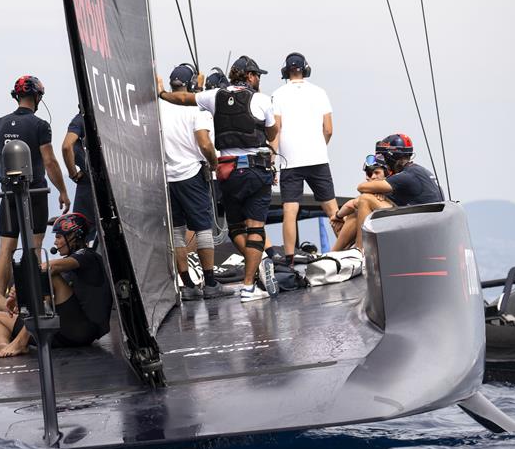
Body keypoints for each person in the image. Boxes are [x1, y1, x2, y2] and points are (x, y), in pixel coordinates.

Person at [158, 55, 279, 303]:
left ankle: (253, 269)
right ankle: (249, 283)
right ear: (249, 76)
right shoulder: (263, 100)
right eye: (257, 75)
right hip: (255, 171)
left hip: (228, 173)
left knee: (234, 228)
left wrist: (161, 94)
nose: (258, 79)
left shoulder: (213, 97)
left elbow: (182, 98)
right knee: (255, 228)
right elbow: (272, 131)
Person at [0, 213, 112, 357]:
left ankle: (20, 342)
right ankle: (5, 344)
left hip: (81, 330)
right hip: (61, 332)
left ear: (73, 236)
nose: (55, 243)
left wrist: (17, 291)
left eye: (58, 237)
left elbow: (47, 268)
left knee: (50, 275)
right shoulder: (70, 265)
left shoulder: (88, 255)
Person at [0, 75, 70, 298]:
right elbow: (49, 161)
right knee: (34, 248)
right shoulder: (40, 125)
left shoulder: (0, 123)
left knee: (6, 249)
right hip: (34, 193)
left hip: (8, 193)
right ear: (37, 97)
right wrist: (63, 191)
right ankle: (36, 297)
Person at [160, 63, 230, 300]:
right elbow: (204, 142)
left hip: (167, 178)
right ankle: (210, 284)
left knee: (178, 232)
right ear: (191, 85)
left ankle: (188, 285)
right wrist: (212, 162)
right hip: (192, 174)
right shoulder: (197, 109)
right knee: (203, 229)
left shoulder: (158, 108)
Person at [271, 52, 338, 265]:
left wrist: (273, 161)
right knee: (332, 209)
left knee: (290, 210)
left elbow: (276, 130)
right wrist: (318, 146)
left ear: (285, 71)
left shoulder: (278, 94)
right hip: (318, 157)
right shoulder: (320, 93)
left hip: (290, 160)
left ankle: (289, 258)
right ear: (306, 69)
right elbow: (328, 129)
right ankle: (348, 250)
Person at [354, 133, 444, 249]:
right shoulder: (419, 171)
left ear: (391, 158)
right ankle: (339, 253)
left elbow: (361, 187)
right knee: (357, 212)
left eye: (384, 159)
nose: (384, 163)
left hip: (417, 225)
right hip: (428, 226)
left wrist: (338, 215)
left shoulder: (406, 176)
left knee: (365, 199)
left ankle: (359, 251)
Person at [330, 154, 390, 251]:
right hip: (380, 236)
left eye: (377, 172)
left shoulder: (390, 188)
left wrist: (337, 217)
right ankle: (338, 253)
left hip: (389, 234)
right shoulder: (374, 192)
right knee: (354, 213)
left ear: (387, 173)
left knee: (356, 210)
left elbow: (352, 204)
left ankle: (340, 251)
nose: (373, 176)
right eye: (369, 174)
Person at [61, 112, 97, 226]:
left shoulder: (80, 119)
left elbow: (67, 146)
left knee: (83, 233)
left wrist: (73, 174)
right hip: (118, 185)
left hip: (89, 184)